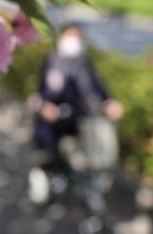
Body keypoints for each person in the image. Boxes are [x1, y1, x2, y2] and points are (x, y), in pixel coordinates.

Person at [27, 24, 123, 205]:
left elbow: (97, 90)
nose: (74, 42)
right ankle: (47, 174)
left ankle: (87, 186)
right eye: (70, 37)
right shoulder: (52, 63)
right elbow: (41, 92)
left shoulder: (84, 65)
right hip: (53, 120)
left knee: (91, 151)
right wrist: (44, 107)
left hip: (78, 118)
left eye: (78, 38)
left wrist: (109, 103)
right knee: (48, 147)